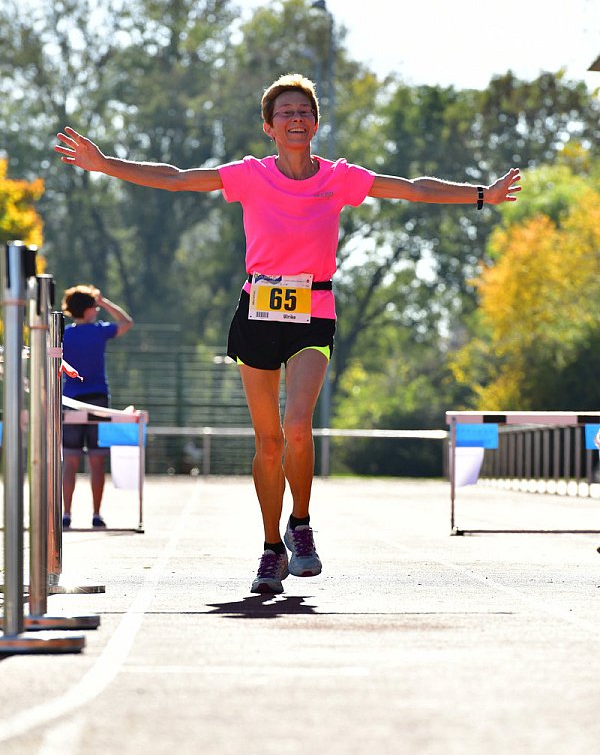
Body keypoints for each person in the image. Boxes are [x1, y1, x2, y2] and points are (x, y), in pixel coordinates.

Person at [55, 73, 521, 589]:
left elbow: (411, 188)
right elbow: (177, 177)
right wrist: (104, 164)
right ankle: (271, 546)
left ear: (316, 124)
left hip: (314, 309)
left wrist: (484, 195)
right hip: (257, 311)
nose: (296, 119)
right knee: (269, 441)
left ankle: (301, 524)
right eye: (286, 113)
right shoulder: (250, 175)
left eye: (305, 112)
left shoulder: (339, 178)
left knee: (298, 426)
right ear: (269, 128)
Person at [61, 284, 134, 529]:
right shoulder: (98, 331)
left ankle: (67, 514)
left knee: (69, 460)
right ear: (89, 309)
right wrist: (105, 302)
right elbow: (127, 323)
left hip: (70, 401)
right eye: (94, 306)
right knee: (96, 461)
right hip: (97, 401)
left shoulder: (64, 334)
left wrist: (98, 303)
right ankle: (96, 514)